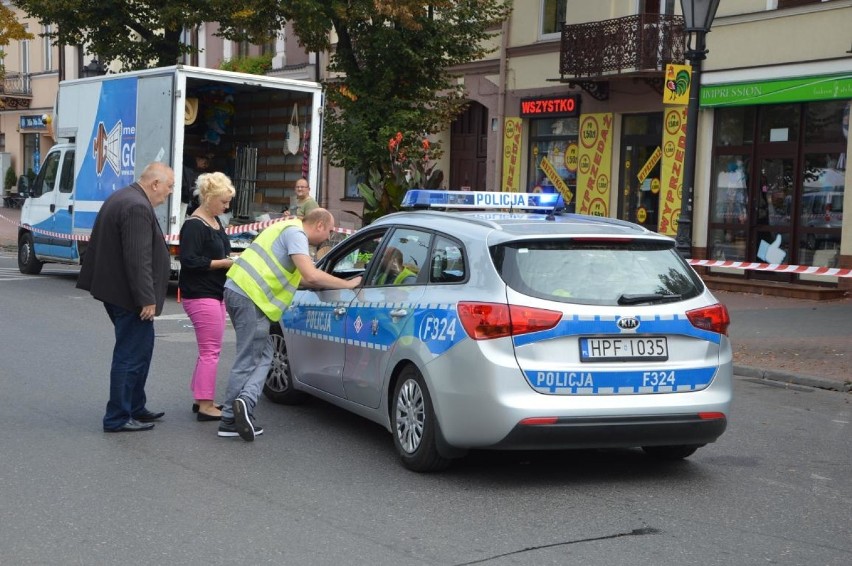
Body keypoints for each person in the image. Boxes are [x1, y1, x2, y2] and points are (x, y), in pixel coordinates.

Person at [219, 208, 361, 441]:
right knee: (249, 358)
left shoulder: (285, 227)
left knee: (264, 355)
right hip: (251, 297)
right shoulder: (296, 234)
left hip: (240, 291)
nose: (327, 238)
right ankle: (230, 417)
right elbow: (311, 275)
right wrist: (347, 285)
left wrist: (324, 284)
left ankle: (243, 404)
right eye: (329, 231)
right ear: (319, 225)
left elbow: (303, 279)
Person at [77, 162, 174, 433]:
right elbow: (137, 257)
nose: (169, 193)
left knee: (141, 351)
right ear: (155, 184)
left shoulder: (125, 197)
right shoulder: (136, 206)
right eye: (169, 187)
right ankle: (118, 417)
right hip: (129, 297)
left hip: (119, 292)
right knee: (130, 355)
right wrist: (146, 298)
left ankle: (135, 406)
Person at [179, 171, 236, 422]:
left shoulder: (214, 221)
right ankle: (206, 404)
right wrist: (221, 264)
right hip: (200, 293)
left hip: (213, 292)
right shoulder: (194, 224)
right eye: (223, 201)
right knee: (211, 351)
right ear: (209, 197)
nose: (227, 206)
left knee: (208, 350)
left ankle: (200, 398)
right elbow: (189, 261)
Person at [181, 153, 211, 219]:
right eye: (204, 163)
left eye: (205, 166)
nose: (203, 166)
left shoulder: (193, 169)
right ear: (199, 158)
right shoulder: (190, 162)